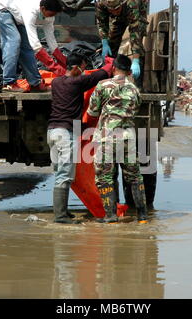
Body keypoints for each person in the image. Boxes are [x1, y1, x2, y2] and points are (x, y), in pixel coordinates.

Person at [48, 54, 113, 224]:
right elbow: (100, 75)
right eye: (83, 68)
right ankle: (60, 217)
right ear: (75, 68)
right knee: (64, 175)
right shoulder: (77, 83)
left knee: (60, 173)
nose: (84, 71)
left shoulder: (56, 82)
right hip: (65, 135)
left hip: (52, 133)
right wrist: (110, 63)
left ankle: (63, 211)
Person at [87, 54, 148, 224]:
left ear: (113, 68)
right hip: (128, 138)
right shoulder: (135, 89)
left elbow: (92, 111)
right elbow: (135, 109)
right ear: (129, 72)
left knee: (105, 177)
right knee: (134, 177)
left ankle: (111, 216)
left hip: (107, 138)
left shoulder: (103, 85)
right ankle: (142, 217)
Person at [0, 0, 66, 92]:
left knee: (26, 49)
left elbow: (51, 41)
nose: (52, 16)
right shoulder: (30, 12)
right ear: (42, 8)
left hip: (18, 13)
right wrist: (54, 67)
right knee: (14, 40)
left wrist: (64, 63)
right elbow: (35, 44)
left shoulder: (49, 17)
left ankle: (35, 84)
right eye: (51, 14)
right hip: (2, 7)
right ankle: (8, 83)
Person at [95, 0, 148, 87]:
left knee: (138, 46)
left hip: (137, 13)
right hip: (119, 17)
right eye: (111, 10)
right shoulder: (101, 3)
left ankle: (138, 85)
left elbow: (135, 32)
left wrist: (135, 60)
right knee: (112, 41)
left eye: (117, 9)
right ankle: (110, 77)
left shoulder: (132, 3)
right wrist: (105, 42)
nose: (115, 12)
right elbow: (102, 23)